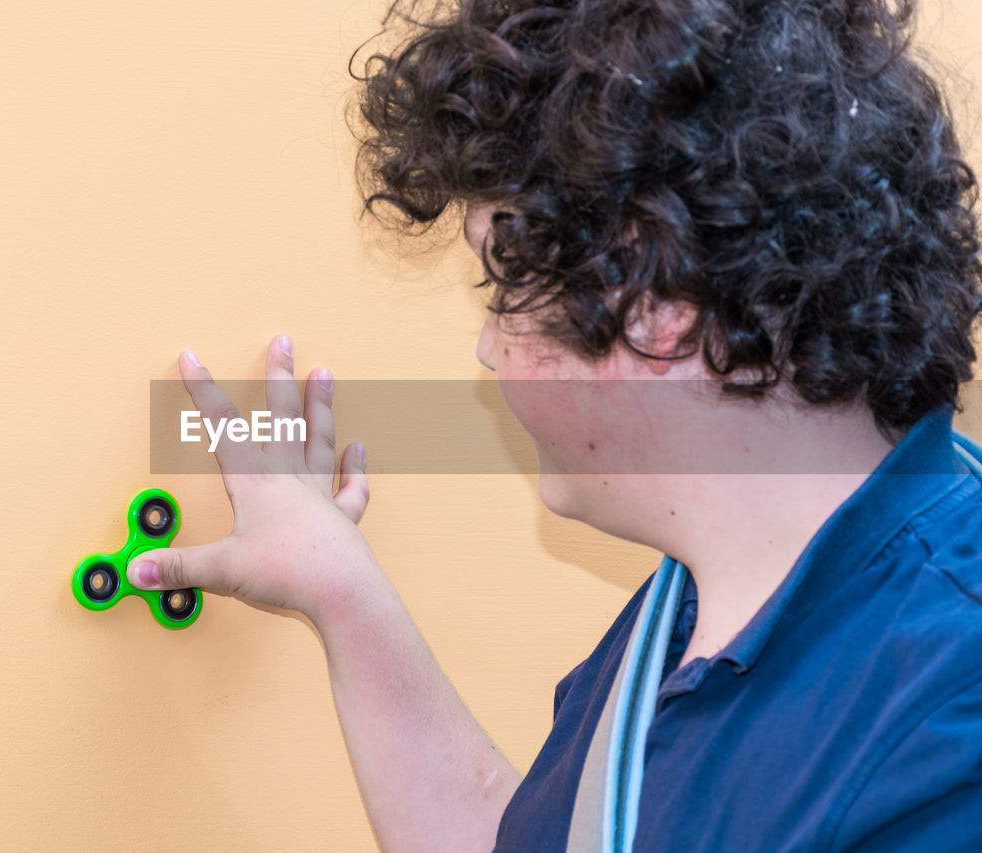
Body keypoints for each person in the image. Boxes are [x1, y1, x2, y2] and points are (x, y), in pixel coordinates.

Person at [128, 0, 982, 849]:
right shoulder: (705, 599)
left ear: (653, 308)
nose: (488, 349)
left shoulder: (946, 738)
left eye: (501, 289)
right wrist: (336, 583)